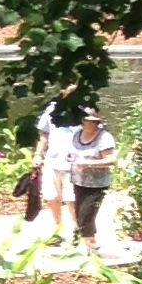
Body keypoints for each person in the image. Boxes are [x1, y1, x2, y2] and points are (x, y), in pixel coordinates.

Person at [70, 106, 117, 247]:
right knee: (80, 214)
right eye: (86, 120)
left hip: (97, 184)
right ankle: (91, 242)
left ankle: (86, 247)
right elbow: (75, 152)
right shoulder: (77, 134)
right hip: (79, 181)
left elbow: (111, 160)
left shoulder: (104, 137)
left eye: (93, 121)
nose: (89, 124)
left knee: (86, 215)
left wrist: (89, 164)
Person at [34, 101, 79, 237]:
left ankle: (77, 229)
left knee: (71, 199)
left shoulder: (83, 109)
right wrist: (37, 154)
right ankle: (58, 230)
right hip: (52, 160)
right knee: (52, 197)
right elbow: (44, 135)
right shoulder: (52, 109)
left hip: (74, 162)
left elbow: (95, 130)